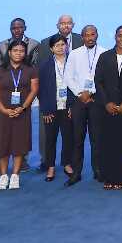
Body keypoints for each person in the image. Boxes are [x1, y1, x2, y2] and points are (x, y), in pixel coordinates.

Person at [0, 39, 39, 190]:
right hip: (3, 112)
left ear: (25, 53)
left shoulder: (30, 70)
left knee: (19, 143)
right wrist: (3, 110)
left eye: (22, 51)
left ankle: (15, 175)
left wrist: (23, 107)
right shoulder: (0, 70)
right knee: (2, 144)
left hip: (22, 113)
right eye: (15, 51)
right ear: (9, 52)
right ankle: (3, 176)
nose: (19, 53)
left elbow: (34, 90)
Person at [94, 25, 122, 190]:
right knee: (107, 143)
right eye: (120, 35)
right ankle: (108, 176)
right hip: (107, 108)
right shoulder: (104, 57)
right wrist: (106, 103)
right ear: (115, 36)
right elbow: (99, 82)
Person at [65, 25, 102, 186]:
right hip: (78, 101)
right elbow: (68, 77)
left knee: (97, 138)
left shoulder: (104, 53)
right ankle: (76, 173)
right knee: (77, 138)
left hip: (96, 101)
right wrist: (81, 93)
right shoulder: (74, 54)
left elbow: (104, 78)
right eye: (87, 35)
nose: (90, 38)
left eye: (92, 34)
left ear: (97, 35)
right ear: (82, 37)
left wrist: (91, 92)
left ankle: (98, 170)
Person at [38, 34, 74, 183]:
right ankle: (51, 167)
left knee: (68, 137)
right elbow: (40, 89)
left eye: (63, 44)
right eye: (57, 45)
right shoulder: (44, 65)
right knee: (50, 139)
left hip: (67, 107)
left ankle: (67, 164)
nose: (60, 47)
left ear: (67, 46)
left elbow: (76, 86)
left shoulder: (72, 62)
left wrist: (73, 106)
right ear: (51, 48)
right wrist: (45, 109)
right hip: (51, 109)